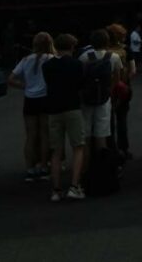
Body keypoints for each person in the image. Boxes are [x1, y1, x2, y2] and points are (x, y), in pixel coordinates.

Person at [42, 33, 87, 202]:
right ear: (72, 47)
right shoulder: (77, 65)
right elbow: (81, 85)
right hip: (72, 107)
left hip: (53, 109)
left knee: (56, 151)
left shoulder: (47, 66)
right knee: (78, 146)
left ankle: (56, 189)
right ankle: (74, 186)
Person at [9, 31, 55, 183]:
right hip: (45, 98)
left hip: (30, 99)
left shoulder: (26, 60)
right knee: (44, 134)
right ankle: (43, 165)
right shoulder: (51, 59)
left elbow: (11, 78)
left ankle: (30, 168)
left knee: (30, 135)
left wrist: (25, 86)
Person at [80, 29, 124, 153]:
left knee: (86, 133)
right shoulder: (114, 57)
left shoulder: (84, 57)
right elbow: (117, 79)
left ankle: (86, 164)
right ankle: (102, 163)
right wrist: (109, 90)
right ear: (107, 41)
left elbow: (81, 78)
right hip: (104, 97)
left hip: (87, 97)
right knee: (102, 132)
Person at [106, 23, 134, 158]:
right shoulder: (126, 50)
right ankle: (124, 148)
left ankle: (111, 149)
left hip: (107, 88)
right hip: (123, 88)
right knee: (122, 119)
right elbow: (133, 69)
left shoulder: (104, 51)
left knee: (108, 120)